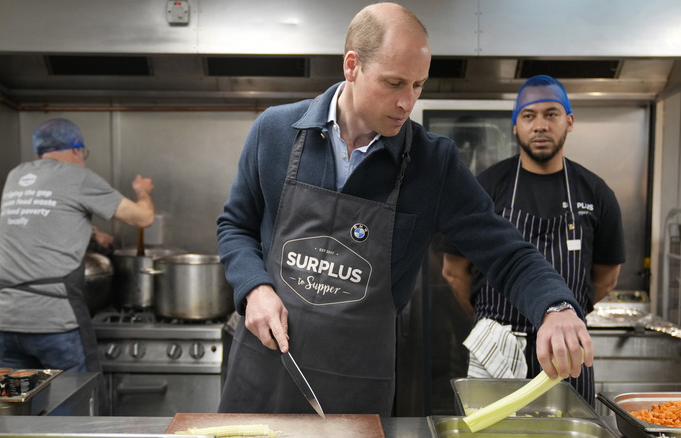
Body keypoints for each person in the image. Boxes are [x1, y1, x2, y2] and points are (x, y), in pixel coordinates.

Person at [216, 3, 594, 416]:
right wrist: (253, 287)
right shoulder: (275, 131)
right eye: (394, 83)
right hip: (265, 365)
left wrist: (556, 307)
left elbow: (508, 255)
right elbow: (235, 225)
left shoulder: (434, 164)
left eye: (417, 85)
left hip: (354, 386)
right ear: (352, 66)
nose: (406, 102)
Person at [441, 75, 625, 405]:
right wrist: (489, 317)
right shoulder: (485, 186)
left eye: (551, 114)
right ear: (515, 126)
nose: (540, 125)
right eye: (529, 116)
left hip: (567, 353)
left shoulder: (596, 193)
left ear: (569, 121)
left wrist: (571, 314)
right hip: (496, 347)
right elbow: (454, 271)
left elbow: (607, 278)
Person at [0, 117, 155, 373]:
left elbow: (43, 216)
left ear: (39, 152)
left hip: (6, 325)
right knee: (75, 407)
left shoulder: (16, 175)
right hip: (56, 323)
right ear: (77, 149)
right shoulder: (78, 177)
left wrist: (93, 234)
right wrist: (142, 191)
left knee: (15, 410)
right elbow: (143, 218)